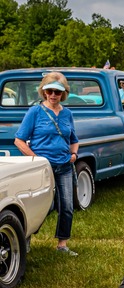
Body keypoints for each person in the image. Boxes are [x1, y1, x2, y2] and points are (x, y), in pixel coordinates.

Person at [13, 72, 79, 256]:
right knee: (40, 206)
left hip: (64, 166)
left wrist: (74, 154)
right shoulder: (35, 112)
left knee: (66, 206)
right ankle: (25, 240)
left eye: (57, 92)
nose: (53, 95)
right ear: (43, 92)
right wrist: (37, 159)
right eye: (49, 91)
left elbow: (74, 139)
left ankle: (62, 244)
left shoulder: (67, 114)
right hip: (42, 168)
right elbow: (19, 140)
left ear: (63, 93)